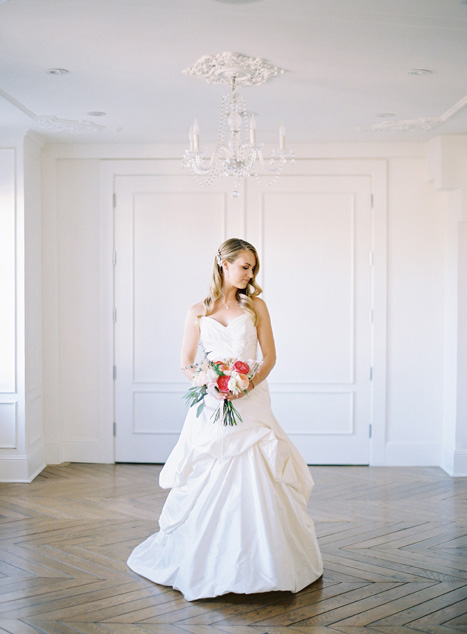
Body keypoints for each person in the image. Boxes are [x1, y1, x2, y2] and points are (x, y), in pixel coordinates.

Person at [127, 238, 323, 601]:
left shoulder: (257, 307)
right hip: (214, 404)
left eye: (253, 267)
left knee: (261, 467)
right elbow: (186, 362)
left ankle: (271, 562)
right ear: (223, 263)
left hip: (252, 400)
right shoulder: (197, 311)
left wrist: (245, 384)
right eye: (244, 266)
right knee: (210, 469)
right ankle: (207, 560)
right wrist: (210, 384)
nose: (250, 274)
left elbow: (269, 358)